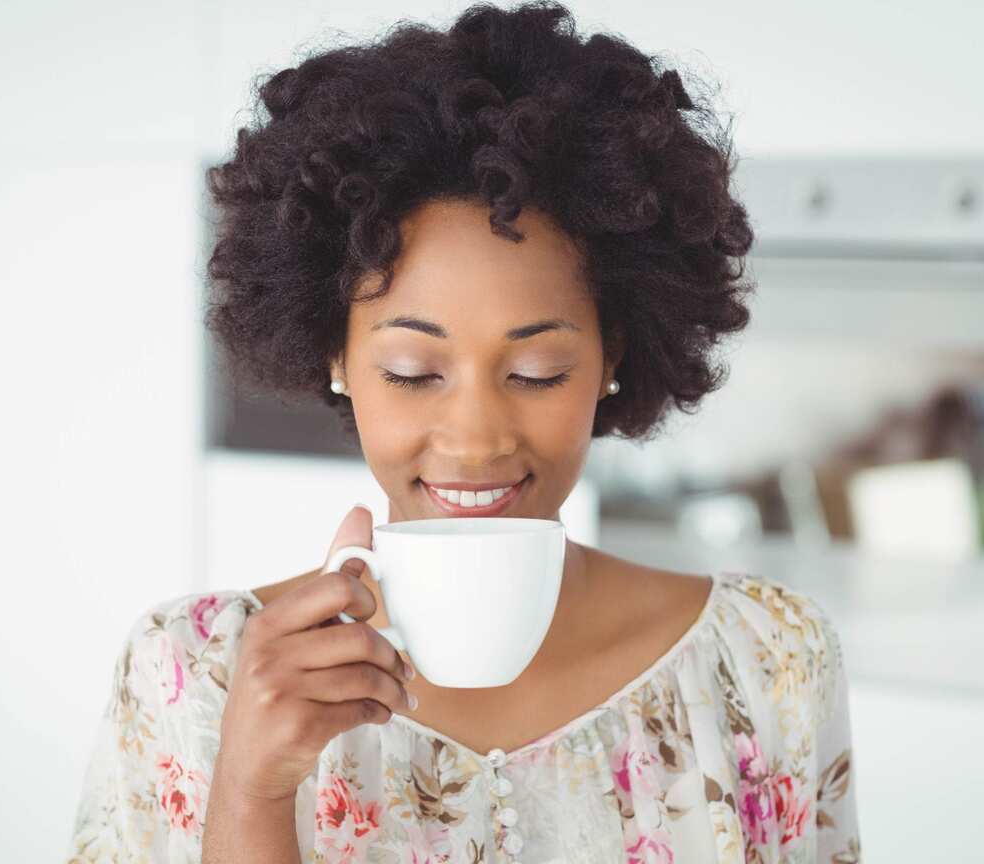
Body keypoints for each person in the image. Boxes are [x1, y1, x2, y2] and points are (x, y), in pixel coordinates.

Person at [66, 2, 861, 862]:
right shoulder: (191, 674)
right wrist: (251, 792)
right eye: (413, 372)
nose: (476, 440)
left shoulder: (768, 658)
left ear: (612, 358)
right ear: (337, 357)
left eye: (537, 372)